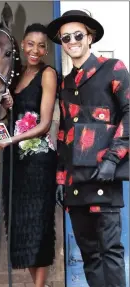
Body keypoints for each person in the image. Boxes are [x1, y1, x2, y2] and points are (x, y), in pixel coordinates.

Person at [47, 10, 129, 287]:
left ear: (90, 37)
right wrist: (60, 179)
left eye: (78, 35)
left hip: (104, 176)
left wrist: (112, 159)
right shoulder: (65, 84)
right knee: (90, 254)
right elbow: (63, 133)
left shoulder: (113, 68)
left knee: (110, 251)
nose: (72, 41)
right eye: (66, 37)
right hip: (74, 183)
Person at [0, 23, 58, 287]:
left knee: (39, 226)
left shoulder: (48, 74)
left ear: (47, 49)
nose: (35, 50)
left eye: (41, 45)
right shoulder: (15, 76)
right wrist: (7, 107)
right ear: (21, 45)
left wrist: (11, 140)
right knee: (21, 227)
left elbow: (45, 123)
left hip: (38, 161)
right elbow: (8, 117)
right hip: (14, 160)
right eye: (30, 44)